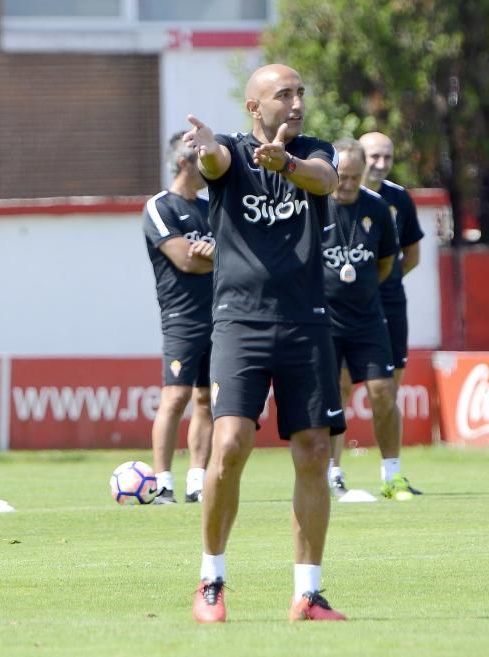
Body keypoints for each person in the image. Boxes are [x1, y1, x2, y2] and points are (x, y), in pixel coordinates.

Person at [182, 64, 348, 623]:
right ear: (255, 108)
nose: (297, 101)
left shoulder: (315, 150)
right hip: (240, 323)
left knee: (315, 452)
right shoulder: (229, 150)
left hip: (307, 322)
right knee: (228, 446)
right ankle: (211, 581)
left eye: (301, 91)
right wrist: (205, 150)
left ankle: (308, 594)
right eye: (284, 94)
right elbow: (215, 162)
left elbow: (324, 179)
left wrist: (288, 163)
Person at [326, 131, 425, 497]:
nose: (349, 184)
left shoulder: (381, 207)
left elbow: (390, 261)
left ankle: (392, 475)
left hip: (369, 315)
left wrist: (362, 288)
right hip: (326, 318)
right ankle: (332, 472)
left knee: (384, 391)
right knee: (333, 393)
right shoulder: (316, 203)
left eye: (355, 177)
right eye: (343, 177)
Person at [143, 132, 215, 505]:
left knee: (207, 400)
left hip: (220, 315)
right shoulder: (160, 207)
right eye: (202, 159)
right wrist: (213, 257)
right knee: (175, 396)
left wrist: (213, 255)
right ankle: (163, 482)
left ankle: (197, 482)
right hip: (182, 316)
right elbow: (185, 260)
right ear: (185, 162)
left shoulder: (211, 206)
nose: (210, 166)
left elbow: (234, 255)